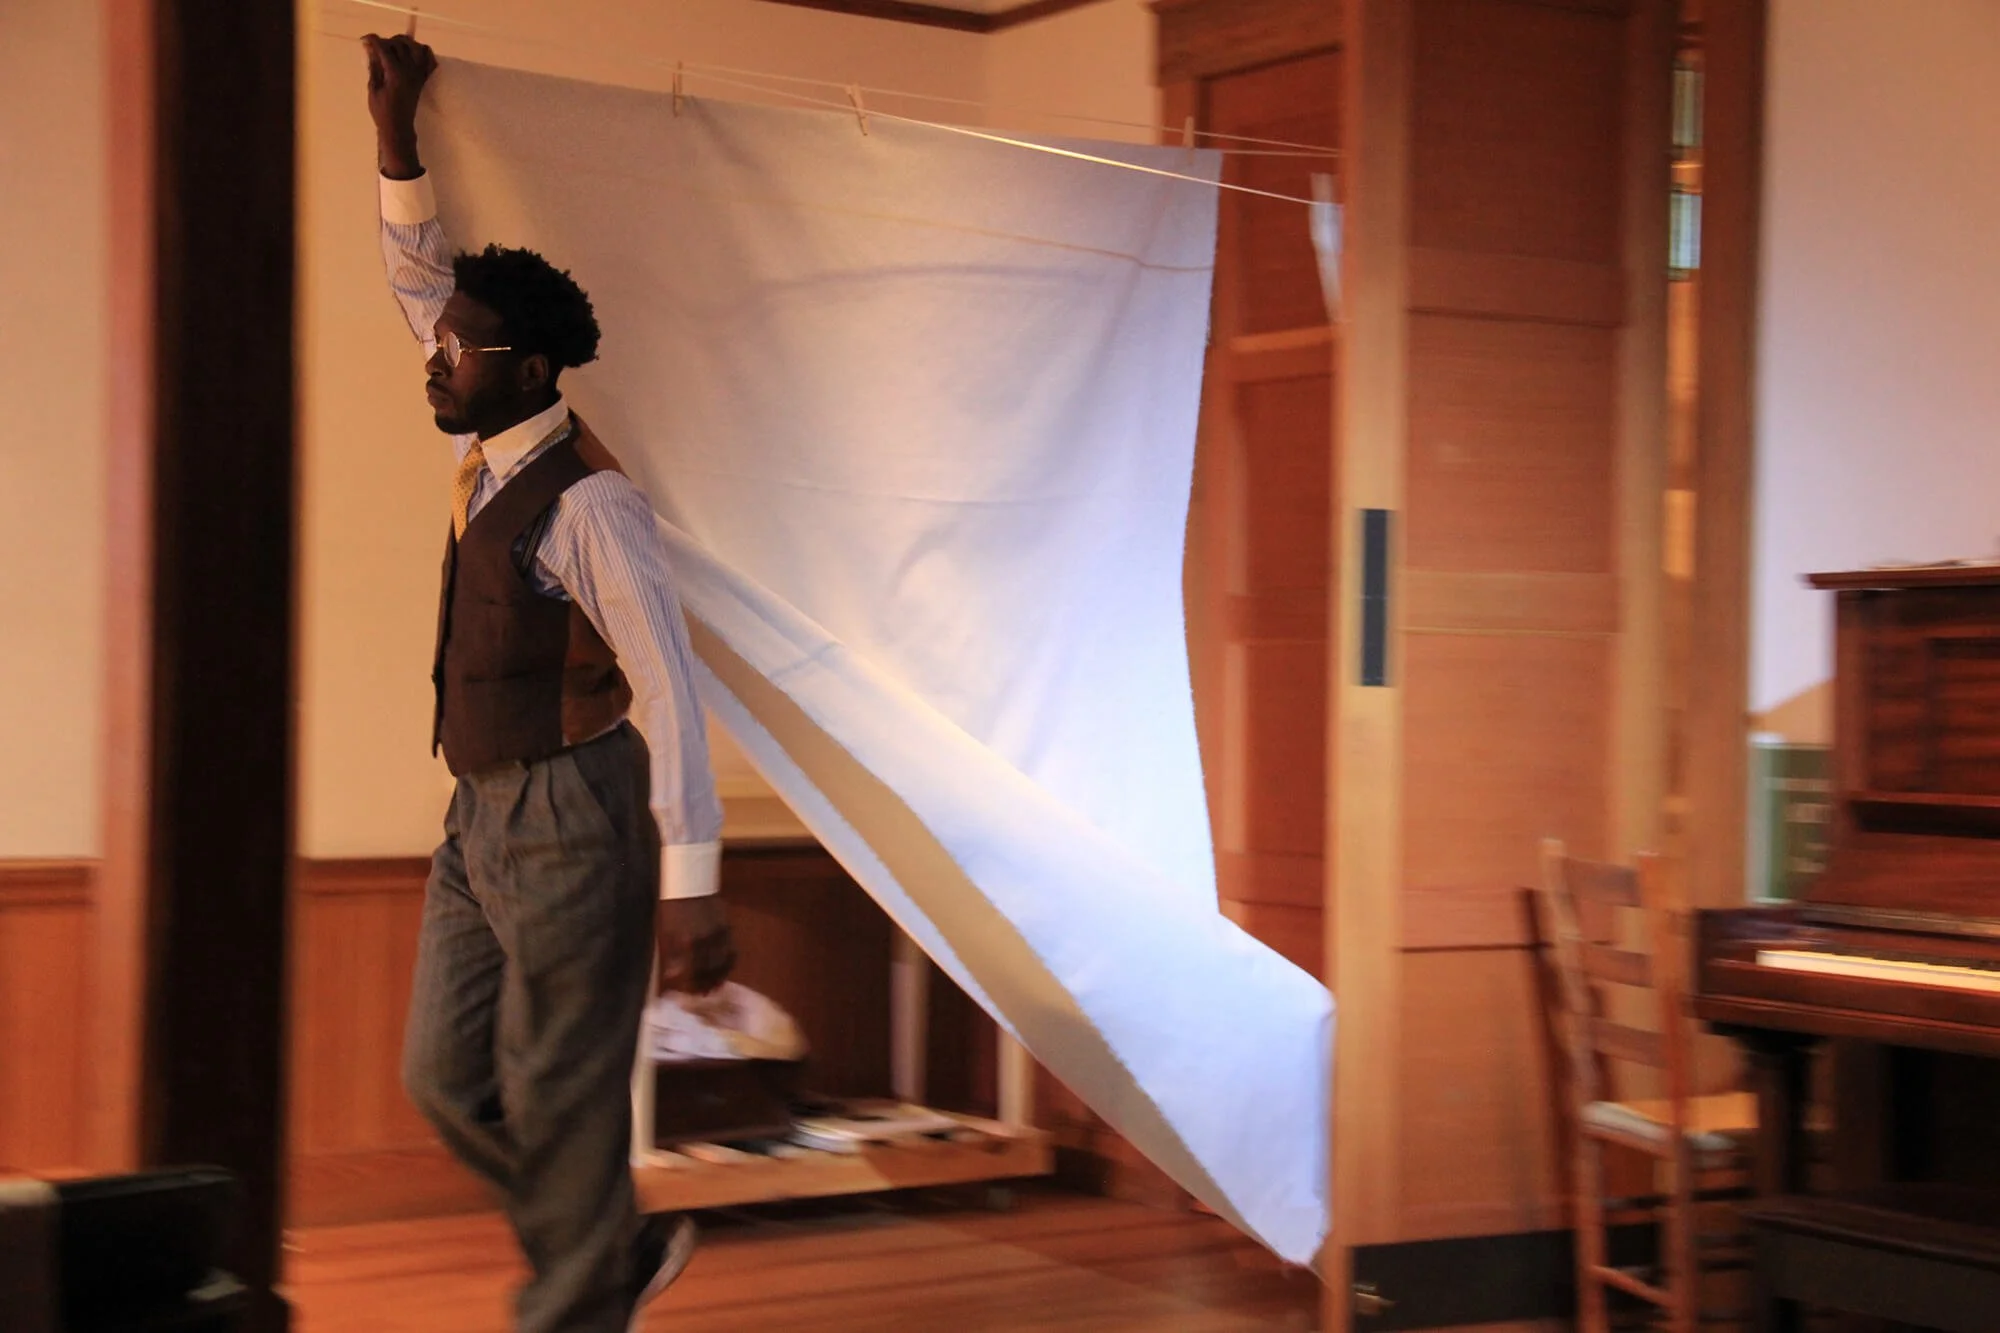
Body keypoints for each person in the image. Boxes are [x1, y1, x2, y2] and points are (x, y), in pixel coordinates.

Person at [363, 32, 734, 1333]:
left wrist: (692, 884)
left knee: (560, 1088)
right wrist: (398, 139)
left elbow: (672, 685)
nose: (434, 357)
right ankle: (610, 1250)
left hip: (577, 811)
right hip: (480, 815)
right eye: (442, 342)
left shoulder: (594, 505)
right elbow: (425, 283)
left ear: (526, 370)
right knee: (446, 1080)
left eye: (458, 352)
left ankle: (577, 1303)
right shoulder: (487, 425)